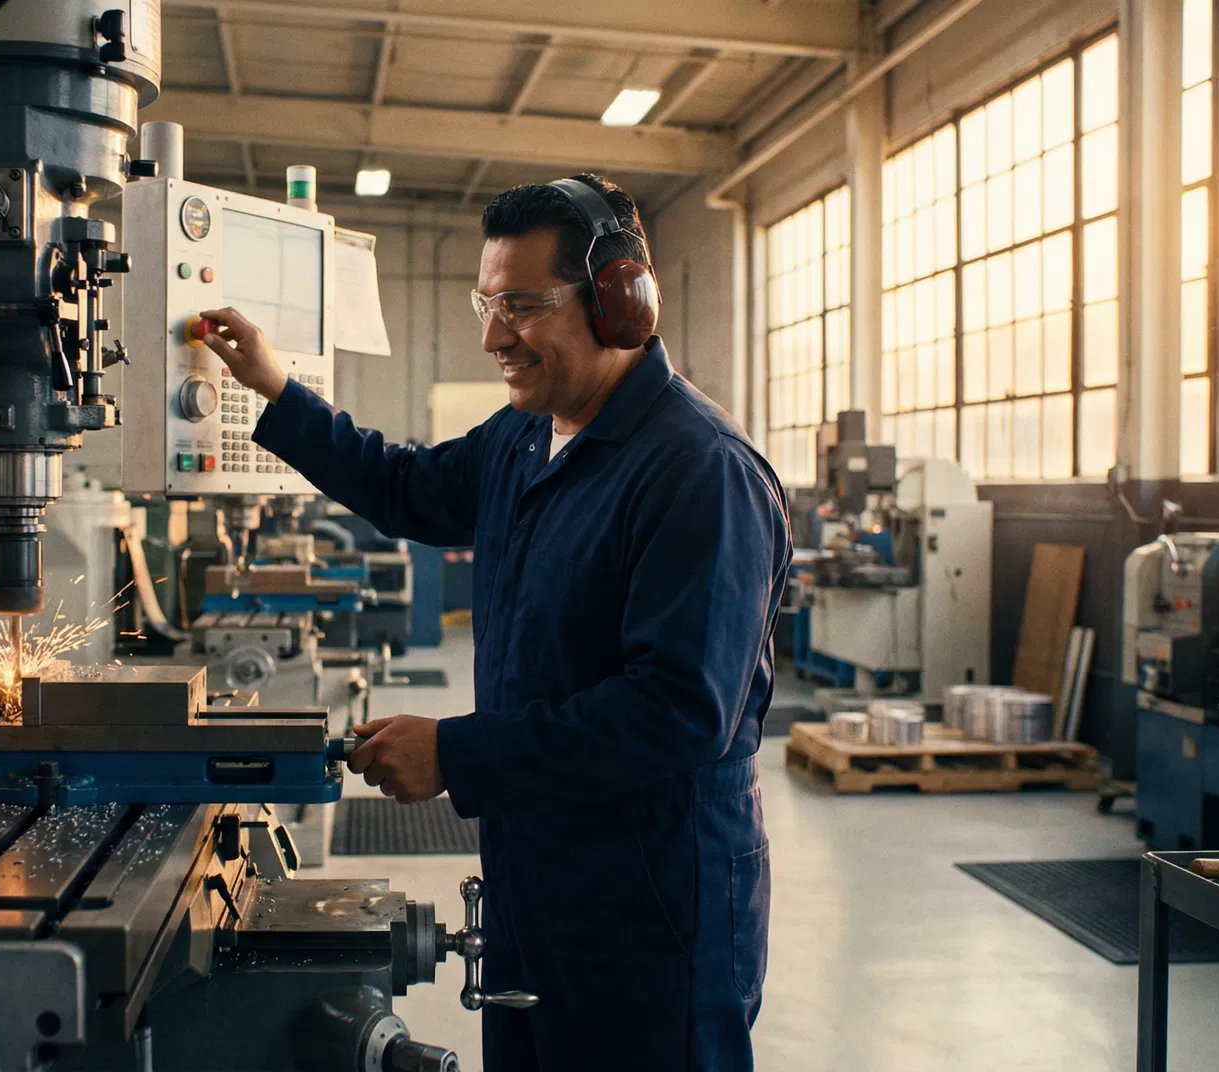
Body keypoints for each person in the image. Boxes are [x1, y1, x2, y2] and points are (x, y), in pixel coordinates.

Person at [198, 173, 790, 1072]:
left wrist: (458, 754)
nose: (491, 337)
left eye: (521, 305)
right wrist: (278, 392)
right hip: (537, 871)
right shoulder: (525, 436)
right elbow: (404, 485)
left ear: (619, 301)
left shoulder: (698, 470)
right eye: (486, 302)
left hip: (656, 904)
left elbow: (678, 710)